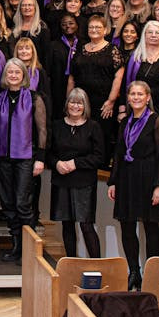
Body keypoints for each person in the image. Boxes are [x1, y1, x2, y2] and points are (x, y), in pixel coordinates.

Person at [0, 58, 47, 262]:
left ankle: (29, 250)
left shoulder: (34, 98)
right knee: (8, 203)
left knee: (22, 203)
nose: (13, 75)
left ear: (23, 75)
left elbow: (42, 130)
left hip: (26, 158)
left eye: (17, 72)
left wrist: (40, 158)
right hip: (3, 158)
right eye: (9, 72)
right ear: (5, 75)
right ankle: (16, 246)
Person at [109, 81, 159, 291]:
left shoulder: (156, 121)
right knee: (127, 225)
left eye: (140, 94)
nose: (135, 98)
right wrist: (113, 181)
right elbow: (117, 153)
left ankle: (152, 274)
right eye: (132, 94)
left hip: (148, 177)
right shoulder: (125, 122)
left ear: (148, 97)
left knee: (151, 228)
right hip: (126, 178)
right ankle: (134, 271)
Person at [47, 88, 103, 258]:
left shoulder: (93, 126)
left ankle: (97, 266)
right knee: (67, 225)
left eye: (79, 103)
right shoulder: (57, 125)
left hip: (84, 182)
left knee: (86, 226)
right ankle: (71, 264)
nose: (75, 106)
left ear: (85, 106)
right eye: (72, 102)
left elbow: (99, 157)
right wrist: (56, 163)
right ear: (67, 104)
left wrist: (75, 163)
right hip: (61, 181)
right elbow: (48, 152)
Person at [69, 15, 125, 167]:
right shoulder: (80, 49)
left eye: (98, 27)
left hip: (103, 103)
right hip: (81, 102)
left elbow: (118, 76)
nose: (94, 30)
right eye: (91, 27)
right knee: (83, 134)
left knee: (101, 135)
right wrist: (69, 100)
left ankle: (101, 166)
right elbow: (72, 76)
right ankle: (83, 163)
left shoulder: (113, 50)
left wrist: (111, 101)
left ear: (105, 30)